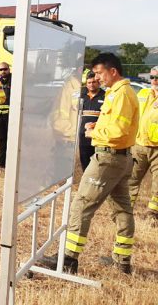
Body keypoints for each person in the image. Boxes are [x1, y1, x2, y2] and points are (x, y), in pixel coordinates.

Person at [41, 53, 139, 275]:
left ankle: (68, 258)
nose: (97, 78)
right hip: (120, 158)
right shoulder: (119, 92)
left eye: (99, 73)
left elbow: (118, 131)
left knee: (81, 205)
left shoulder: (121, 94)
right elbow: (116, 126)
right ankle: (122, 260)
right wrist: (98, 126)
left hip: (108, 159)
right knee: (122, 209)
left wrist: (93, 133)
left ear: (112, 71)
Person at [128, 66, 158, 222]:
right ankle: (126, 210)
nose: (155, 81)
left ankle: (152, 214)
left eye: (157, 78)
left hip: (157, 148)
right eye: (152, 77)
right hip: (139, 145)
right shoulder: (143, 93)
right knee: (131, 179)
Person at [78, 71, 105, 172]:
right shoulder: (82, 96)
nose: (91, 85)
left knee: (97, 163)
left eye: (94, 82)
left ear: (98, 83)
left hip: (98, 136)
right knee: (84, 161)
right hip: (83, 135)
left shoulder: (105, 96)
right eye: (89, 82)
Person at [0, 62, 12, 168]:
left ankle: (11, 162)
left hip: (11, 116)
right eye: (1, 69)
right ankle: (2, 162)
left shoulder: (15, 81)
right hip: (0, 116)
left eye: (5, 69)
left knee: (11, 139)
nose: (3, 71)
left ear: (9, 69)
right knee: (1, 139)